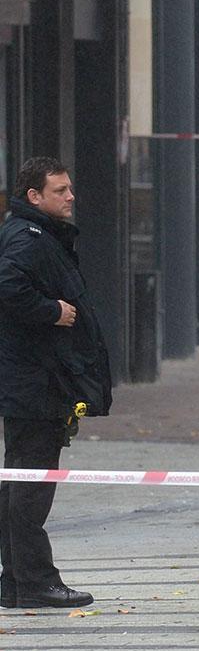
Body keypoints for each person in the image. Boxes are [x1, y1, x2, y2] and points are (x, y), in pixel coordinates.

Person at [0, 158, 111, 610]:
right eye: (60, 190)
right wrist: (51, 312)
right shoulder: (26, 238)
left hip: (33, 379)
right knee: (32, 481)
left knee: (20, 478)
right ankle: (33, 581)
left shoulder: (36, 235)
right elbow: (7, 285)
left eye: (69, 189)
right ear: (34, 196)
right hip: (34, 382)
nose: (71, 197)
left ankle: (16, 578)